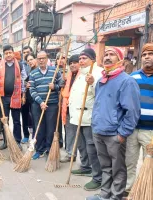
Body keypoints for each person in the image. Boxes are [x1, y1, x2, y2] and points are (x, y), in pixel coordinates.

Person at [86, 48, 141, 200]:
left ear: (120, 60)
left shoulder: (126, 81)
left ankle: (115, 197)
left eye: (112, 55)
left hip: (114, 134)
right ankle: (105, 195)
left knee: (118, 169)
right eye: (106, 55)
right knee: (105, 167)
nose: (107, 58)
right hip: (99, 130)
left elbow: (132, 112)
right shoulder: (101, 81)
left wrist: (122, 134)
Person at [69, 48, 103, 191]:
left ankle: (98, 177)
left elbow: (100, 93)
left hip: (88, 117)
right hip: (77, 117)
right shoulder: (80, 74)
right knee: (81, 145)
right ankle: (85, 167)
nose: (81, 61)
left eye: (85, 58)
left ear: (92, 60)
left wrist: (93, 83)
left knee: (92, 148)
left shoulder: (97, 73)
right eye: (80, 59)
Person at [125, 43, 153, 197]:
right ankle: (129, 189)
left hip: (151, 131)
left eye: (150, 54)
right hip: (132, 128)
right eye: (144, 55)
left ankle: (148, 191)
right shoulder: (132, 77)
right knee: (129, 161)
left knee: (150, 163)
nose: (147, 57)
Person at [29, 51, 63, 160]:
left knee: (50, 128)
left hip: (52, 104)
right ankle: (39, 149)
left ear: (47, 58)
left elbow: (62, 84)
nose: (41, 60)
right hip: (38, 104)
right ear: (36, 60)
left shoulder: (55, 71)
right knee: (39, 127)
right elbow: (32, 90)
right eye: (39, 58)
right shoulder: (33, 73)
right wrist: (40, 102)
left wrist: (55, 87)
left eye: (43, 58)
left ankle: (49, 149)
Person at [0, 45, 27, 150]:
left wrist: (23, 94)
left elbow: (23, 81)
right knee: (5, 120)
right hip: (3, 97)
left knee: (17, 121)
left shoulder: (20, 65)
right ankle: (6, 141)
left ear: (13, 53)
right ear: (4, 54)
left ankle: (17, 141)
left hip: (16, 97)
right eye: (6, 53)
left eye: (10, 52)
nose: (8, 54)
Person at [60, 54, 80, 163]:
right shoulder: (68, 76)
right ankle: (70, 154)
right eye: (70, 63)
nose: (72, 65)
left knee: (81, 136)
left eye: (75, 62)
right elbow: (64, 92)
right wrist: (61, 84)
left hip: (79, 109)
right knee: (70, 133)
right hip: (67, 109)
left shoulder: (82, 76)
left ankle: (85, 160)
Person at [21, 46, 34, 144]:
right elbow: (22, 81)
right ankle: (25, 135)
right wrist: (24, 95)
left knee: (34, 116)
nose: (26, 53)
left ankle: (35, 136)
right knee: (24, 115)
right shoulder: (21, 66)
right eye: (24, 52)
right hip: (25, 94)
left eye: (28, 52)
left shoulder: (37, 67)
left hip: (35, 96)